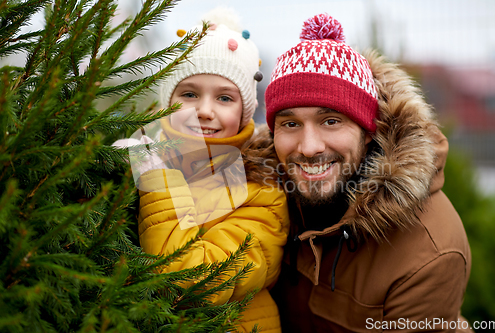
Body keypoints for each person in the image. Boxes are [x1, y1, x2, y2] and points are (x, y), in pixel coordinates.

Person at [257, 13, 471, 332]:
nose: (309, 147)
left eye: (331, 121)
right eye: (290, 124)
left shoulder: (430, 252)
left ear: (369, 130)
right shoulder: (259, 192)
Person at [135, 8, 289, 333]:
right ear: (168, 102)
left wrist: (157, 182)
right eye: (189, 94)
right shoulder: (136, 159)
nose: (204, 110)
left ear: (245, 112)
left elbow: (195, 283)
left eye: (224, 98)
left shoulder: (261, 191)